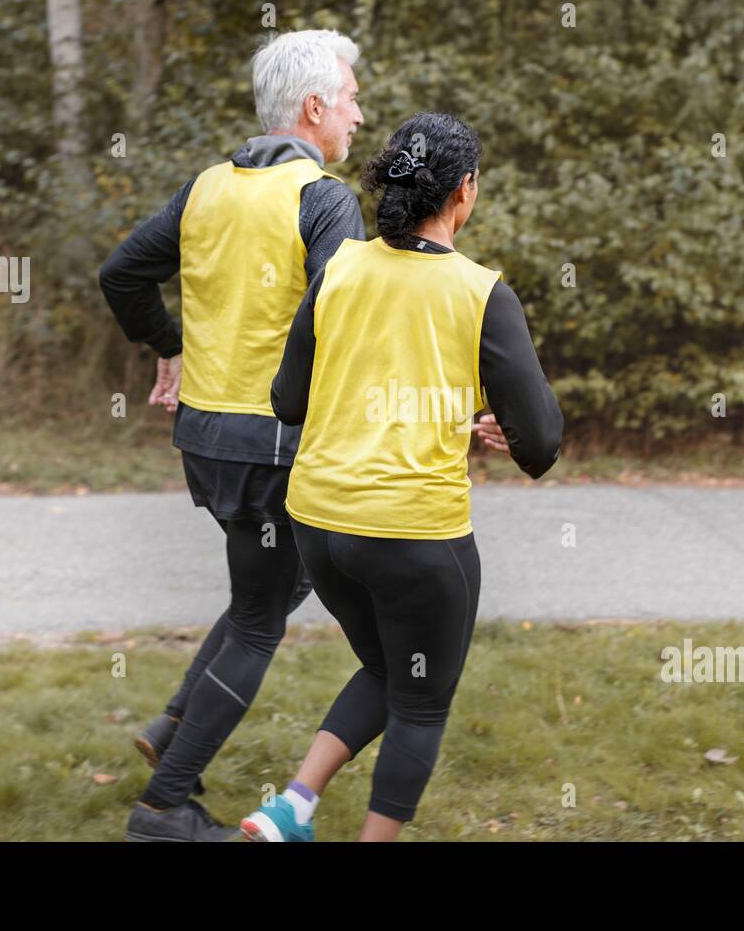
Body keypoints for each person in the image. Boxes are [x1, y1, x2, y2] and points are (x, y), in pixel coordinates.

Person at [238, 112, 563, 842]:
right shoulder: (480, 293)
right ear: (464, 192)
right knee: (421, 701)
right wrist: (503, 431)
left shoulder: (340, 269)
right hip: (414, 536)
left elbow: (287, 400)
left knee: (391, 668)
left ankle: (291, 805)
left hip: (318, 526)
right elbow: (540, 442)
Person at [98, 28, 366, 842]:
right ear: (314, 108)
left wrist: (171, 345)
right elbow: (341, 321)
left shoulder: (207, 188)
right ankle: (166, 807)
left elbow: (121, 272)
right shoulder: (323, 200)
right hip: (274, 446)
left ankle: (177, 725)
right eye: (352, 98)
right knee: (262, 616)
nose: (359, 114)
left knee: (266, 592)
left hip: (206, 442)